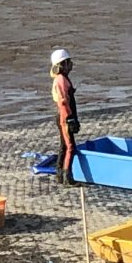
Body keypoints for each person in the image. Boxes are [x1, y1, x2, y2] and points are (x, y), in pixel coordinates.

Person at [49, 48, 80, 185]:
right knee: (70, 146)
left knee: (63, 146)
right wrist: (70, 119)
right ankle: (67, 177)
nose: (71, 64)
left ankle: (59, 174)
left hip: (63, 117)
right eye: (68, 62)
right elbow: (63, 101)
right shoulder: (61, 80)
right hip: (64, 118)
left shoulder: (61, 79)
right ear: (63, 64)